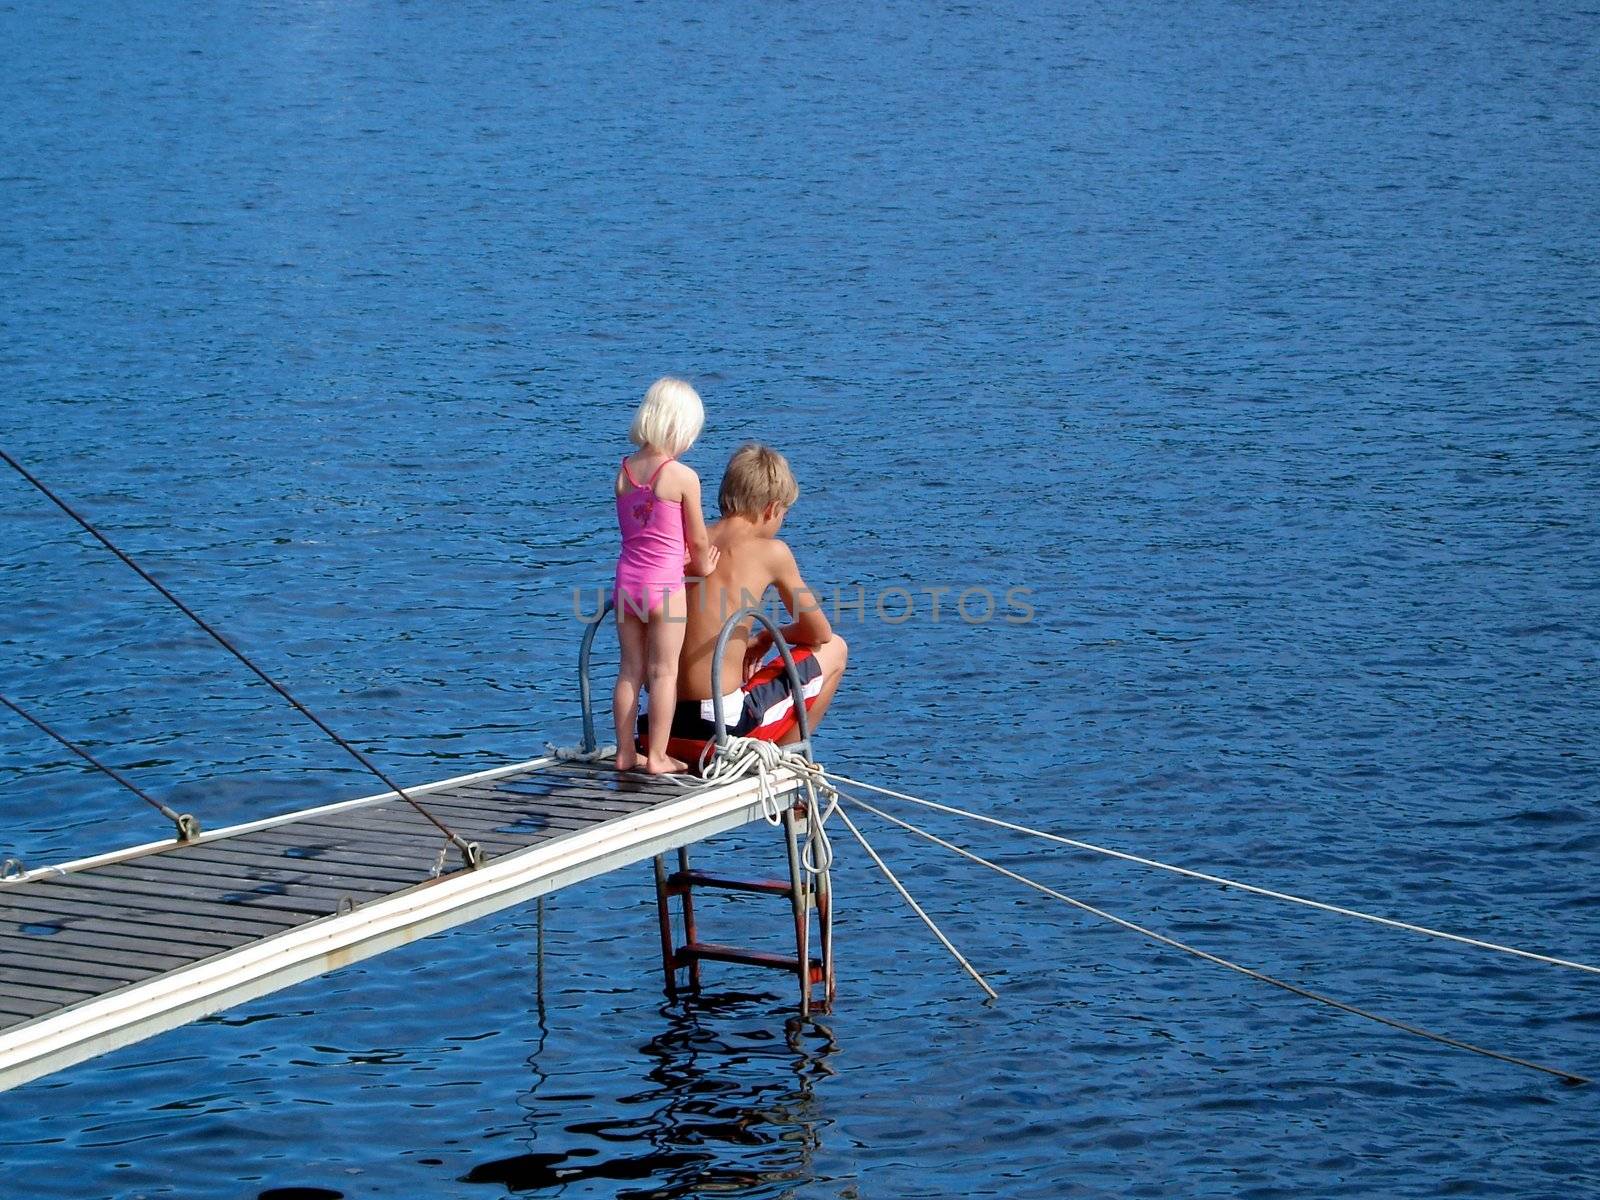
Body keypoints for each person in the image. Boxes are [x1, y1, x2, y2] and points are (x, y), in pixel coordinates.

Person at [644, 442, 848, 764]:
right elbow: (818, 632)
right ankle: (787, 763)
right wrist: (766, 637)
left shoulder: (682, 543)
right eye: (783, 514)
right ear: (771, 509)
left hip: (655, 729)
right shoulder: (772, 552)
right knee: (836, 648)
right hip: (715, 735)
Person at [613, 377, 720, 774]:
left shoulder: (623, 473)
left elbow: (638, 537)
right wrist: (703, 566)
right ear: (680, 428)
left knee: (629, 670)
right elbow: (697, 541)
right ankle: (657, 756)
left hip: (626, 583)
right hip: (666, 589)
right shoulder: (682, 477)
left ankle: (625, 752)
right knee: (663, 673)